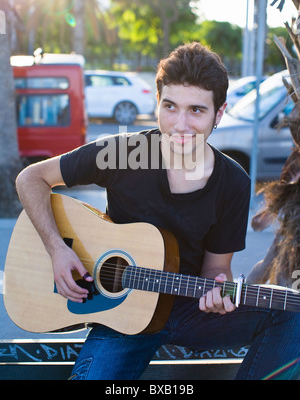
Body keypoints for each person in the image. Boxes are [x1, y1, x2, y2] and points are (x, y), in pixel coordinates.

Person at [15, 42, 300, 380]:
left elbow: (215, 270)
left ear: (218, 113)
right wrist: (57, 249)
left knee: (290, 312)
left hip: (191, 310)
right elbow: (31, 178)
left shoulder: (233, 183)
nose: (181, 124)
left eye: (196, 110)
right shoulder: (123, 152)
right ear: (157, 102)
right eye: (170, 106)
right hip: (122, 316)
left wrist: (217, 292)